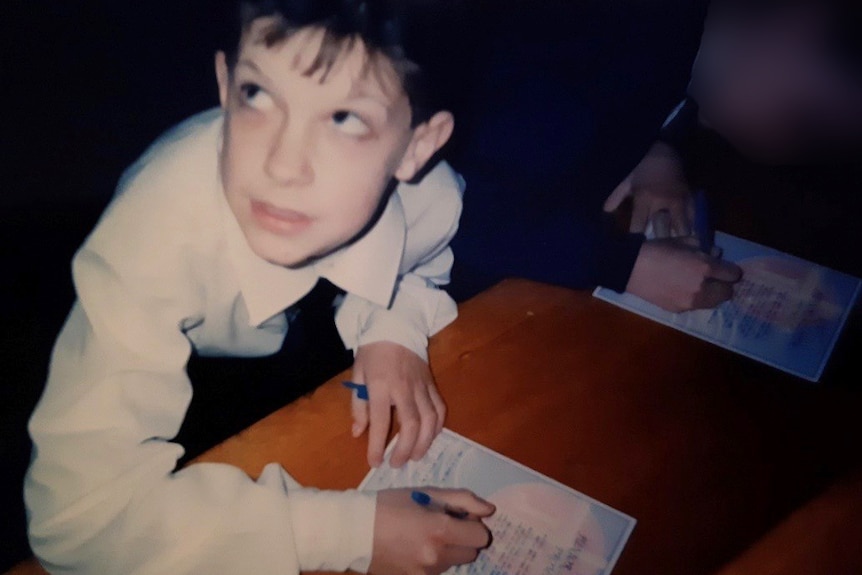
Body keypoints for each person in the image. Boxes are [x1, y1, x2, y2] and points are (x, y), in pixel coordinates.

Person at [24, 2, 495, 574]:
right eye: (258, 95)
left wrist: (393, 326)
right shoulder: (153, 239)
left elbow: (422, 260)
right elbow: (76, 520)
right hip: (168, 356)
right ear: (224, 85)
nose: (282, 165)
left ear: (418, 147)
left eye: (345, 118)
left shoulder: (430, 195)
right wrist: (347, 532)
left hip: (299, 365)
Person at [604, 0, 862, 309]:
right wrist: (624, 267)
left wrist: (659, 151)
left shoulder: (693, 52)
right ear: (804, 18)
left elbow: (670, 98)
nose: (779, 153)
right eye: (808, 126)